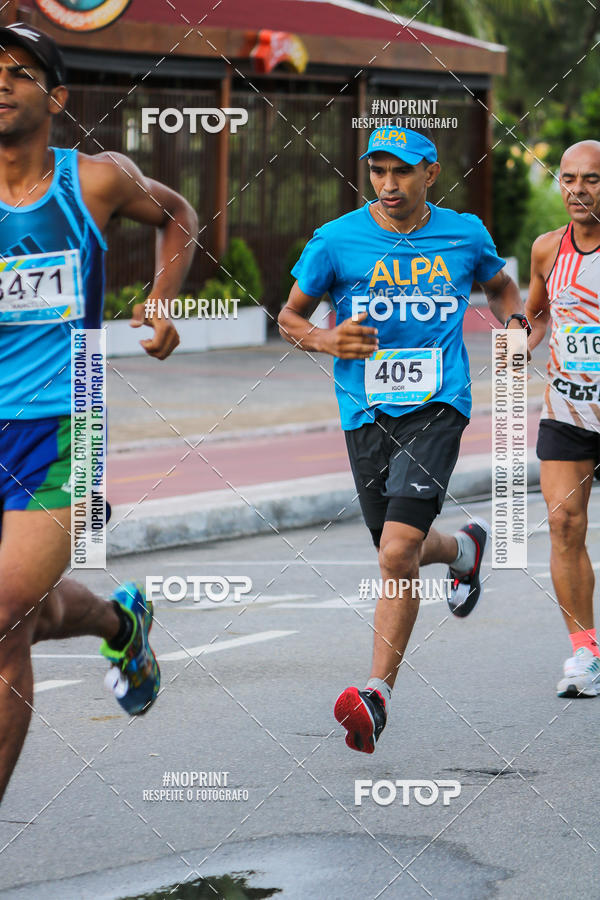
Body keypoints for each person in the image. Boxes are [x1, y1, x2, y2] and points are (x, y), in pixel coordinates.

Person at [278, 127, 529, 753]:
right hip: (364, 412)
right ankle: (466, 551)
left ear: (430, 173)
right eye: (379, 172)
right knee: (401, 550)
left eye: (403, 172)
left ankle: (376, 693)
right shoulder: (335, 242)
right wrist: (328, 341)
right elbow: (289, 317)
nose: (389, 185)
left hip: (439, 404)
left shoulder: (465, 233)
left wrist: (517, 324)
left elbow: (499, 287)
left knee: (395, 552)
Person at [0, 22, 198, 801]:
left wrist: (158, 303)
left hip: (60, 420)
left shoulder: (94, 180)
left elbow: (180, 214)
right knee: (30, 612)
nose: (0, 81)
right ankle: (122, 625)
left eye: (18, 72)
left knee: (8, 613)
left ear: (55, 97)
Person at [525, 140, 600, 698]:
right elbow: (534, 316)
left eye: (592, 179)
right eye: (569, 178)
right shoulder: (547, 250)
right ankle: (585, 653)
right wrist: (517, 346)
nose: (578, 189)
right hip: (567, 409)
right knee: (563, 525)